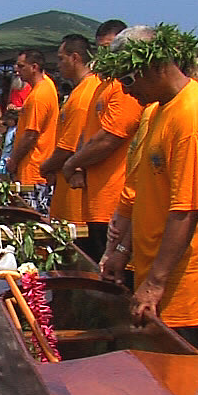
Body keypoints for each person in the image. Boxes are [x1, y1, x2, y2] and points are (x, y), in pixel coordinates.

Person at [96, 24, 198, 352]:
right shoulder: (159, 110)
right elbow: (149, 194)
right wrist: (123, 252)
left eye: (128, 80)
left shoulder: (191, 121)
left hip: (182, 282)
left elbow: (186, 210)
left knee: (180, 381)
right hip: (154, 269)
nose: (126, 92)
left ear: (155, 67)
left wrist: (155, 284)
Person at [61, 19, 142, 261]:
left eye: (112, 49)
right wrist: (78, 164)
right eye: (102, 50)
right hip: (95, 196)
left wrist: (70, 163)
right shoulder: (101, 85)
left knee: (114, 271)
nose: (106, 56)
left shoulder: (123, 87)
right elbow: (89, 134)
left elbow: (110, 137)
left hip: (115, 198)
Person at [41, 34, 100, 230]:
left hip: (75, 197)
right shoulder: (80, 91)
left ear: (75, 58)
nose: (58, 65)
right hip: (66, 188)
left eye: (61, 58)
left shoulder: (84, 96)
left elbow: (70, 147)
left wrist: (45, 166)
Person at [7, 49, 59, 212]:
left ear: (34, 67)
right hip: (39, 167)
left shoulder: (39, 95)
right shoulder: (47, 85)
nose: (17, 70)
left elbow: (31, 135)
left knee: (31, 218)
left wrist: (13, 160)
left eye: (21, 66)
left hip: (33, 169)